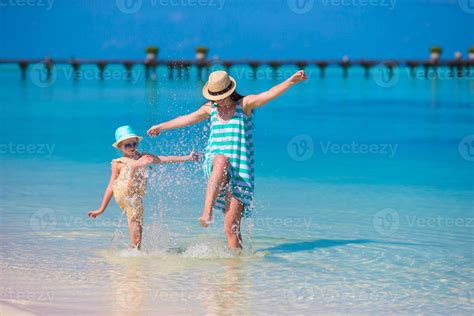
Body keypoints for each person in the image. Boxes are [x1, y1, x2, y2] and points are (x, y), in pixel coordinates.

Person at [147, 70, 307, 249]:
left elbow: (268, 94)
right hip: (215, 165)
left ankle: (235, 269)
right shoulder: (210, 109)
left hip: (241, 173)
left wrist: (291, 81)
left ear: (230, 91)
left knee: (231, 228)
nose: (217, 101)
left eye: (220, 97)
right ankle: (206, 212)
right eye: (214, 97)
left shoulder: (244, 105)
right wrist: (161, 127)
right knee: (222, 160)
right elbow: (186, 119)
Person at [88, 125, 201, 249]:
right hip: (124, 191)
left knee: (137, 235)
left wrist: (188, 158)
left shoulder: (144, 157)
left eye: (134, 144)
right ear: (120, 147)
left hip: (135, 195)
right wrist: (101, 209)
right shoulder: (118, 162)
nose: (132, 147)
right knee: (136, 232)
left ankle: (135, 254)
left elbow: (164, 159)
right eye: (127, 145)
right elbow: (111, 186)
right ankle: (133, 168)